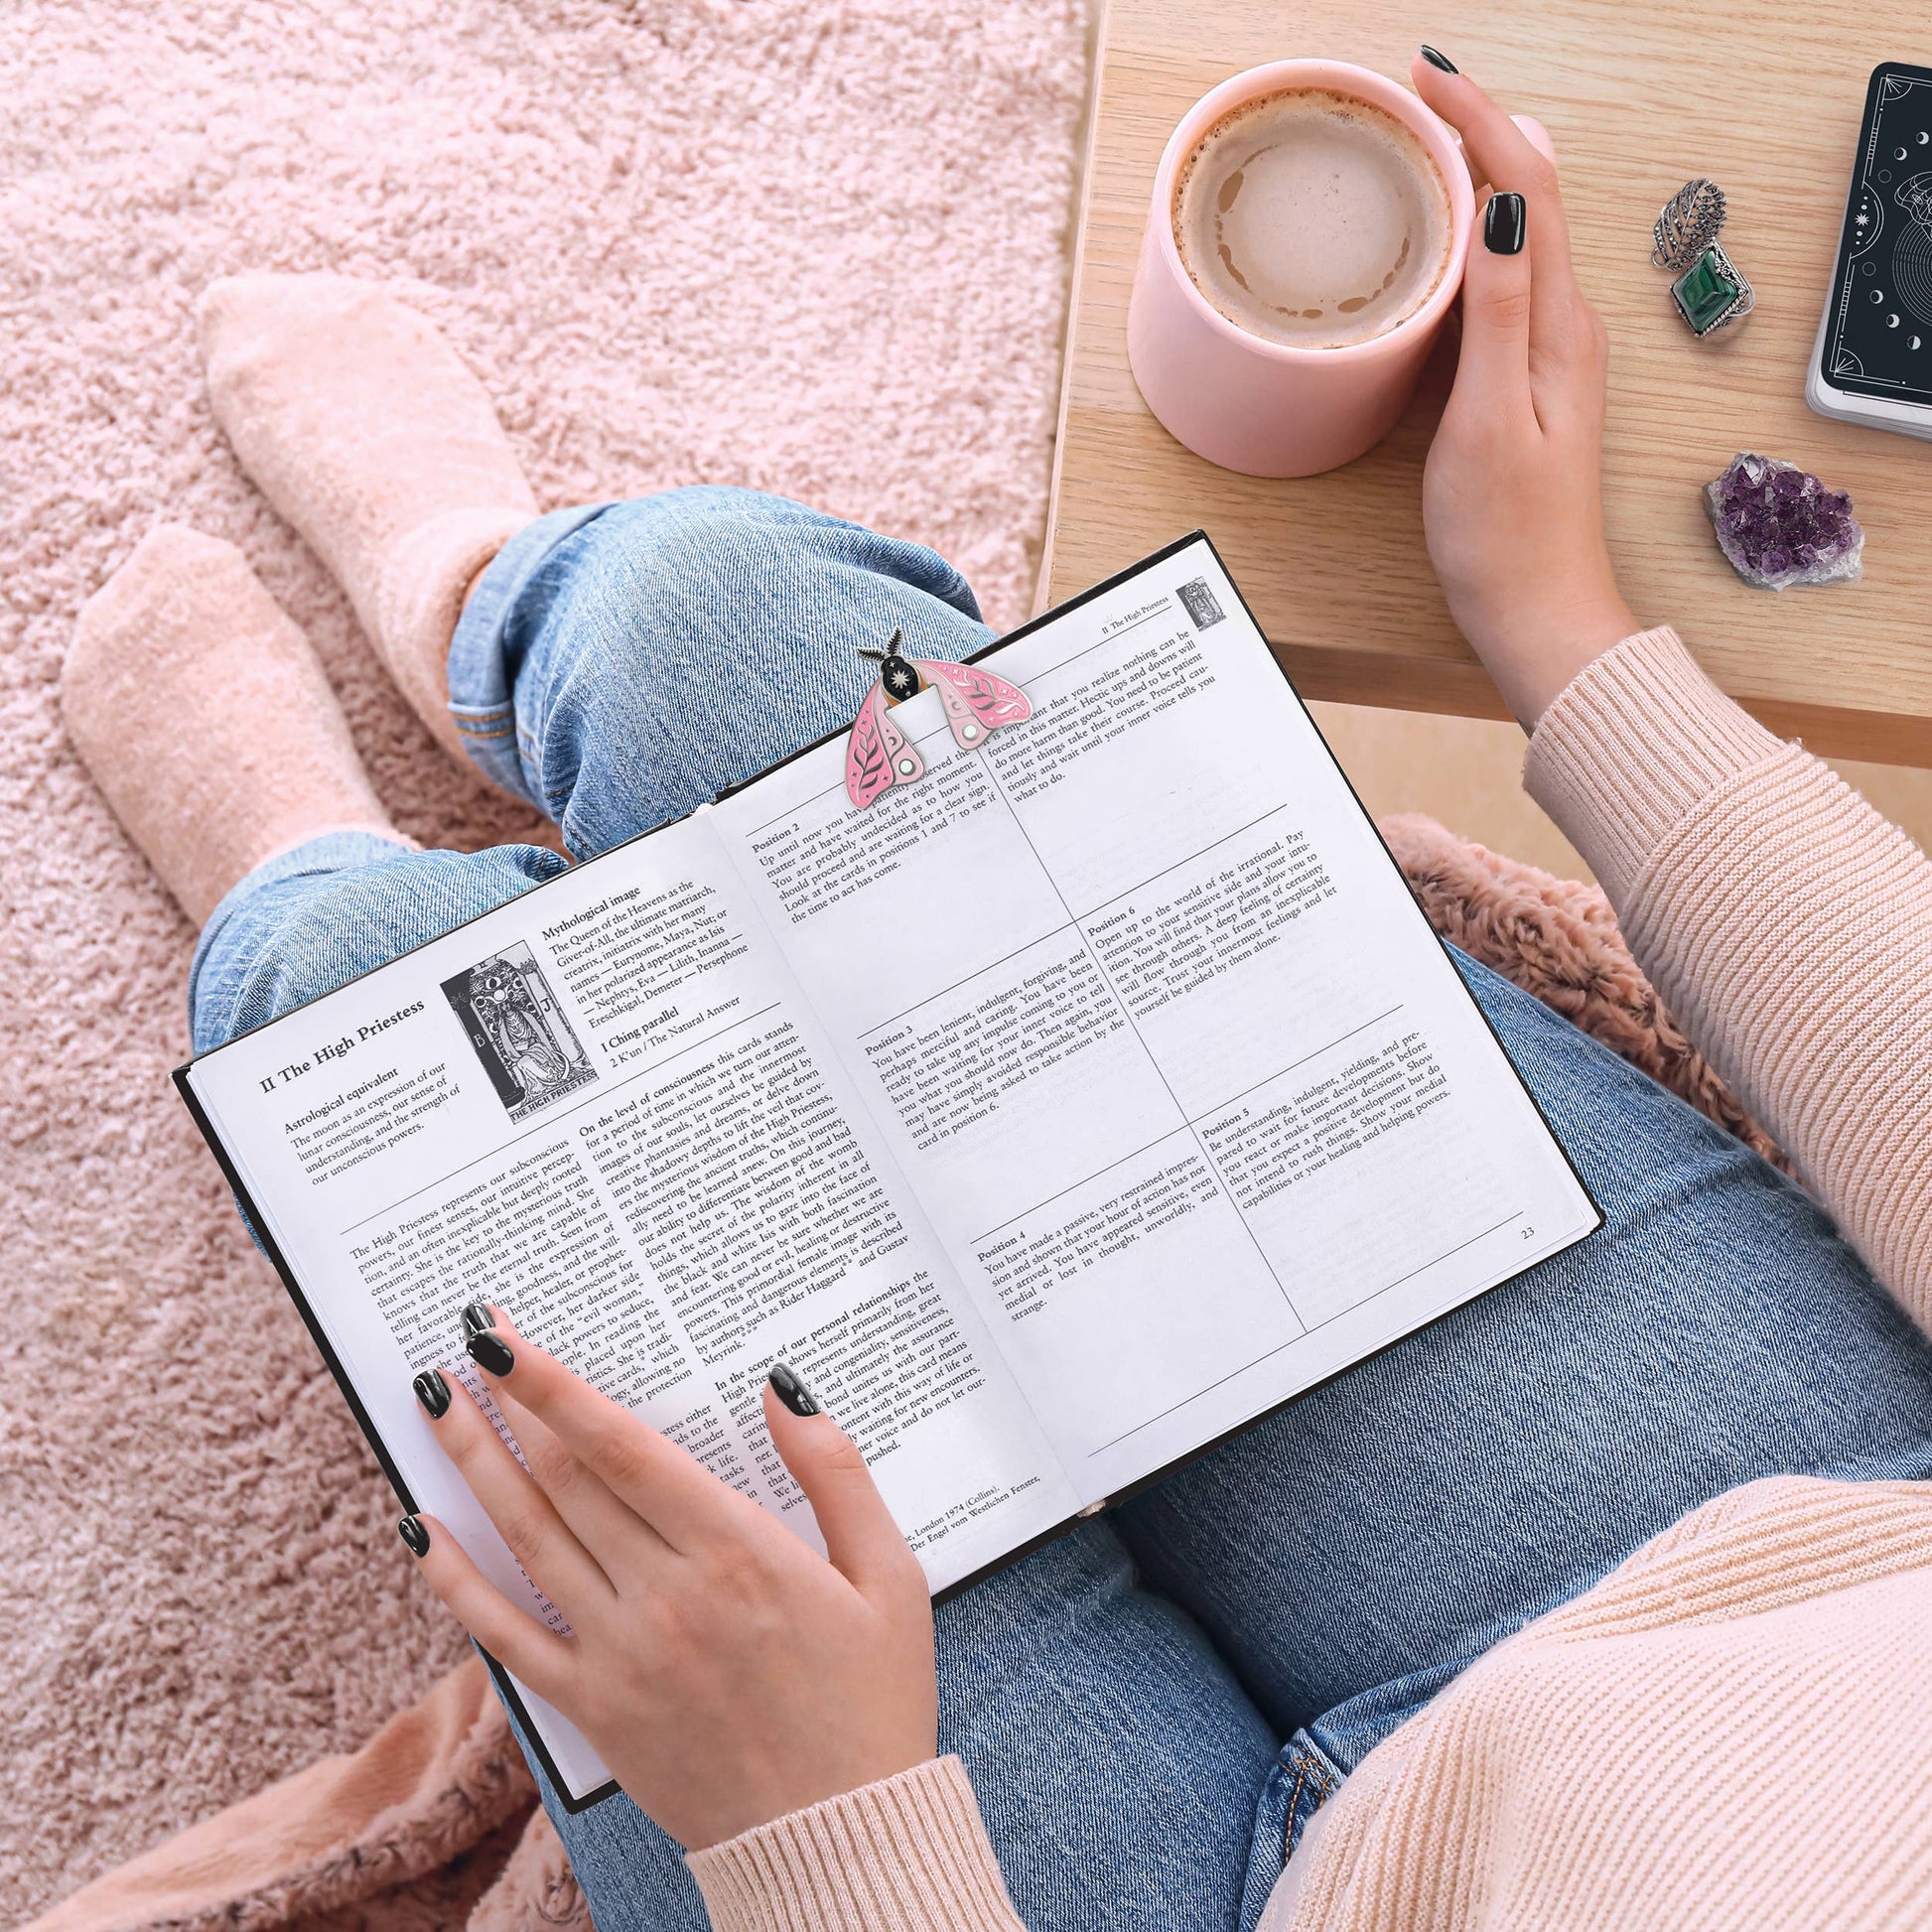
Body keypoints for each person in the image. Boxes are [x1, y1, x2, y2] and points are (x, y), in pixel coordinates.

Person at [61, 54, 1932, 1932]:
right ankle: (472, 601)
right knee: (696, 624)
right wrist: (1555, 622)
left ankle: (287, 863)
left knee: (356, 1033)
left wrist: (830, 1832)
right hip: (1760, 1543)